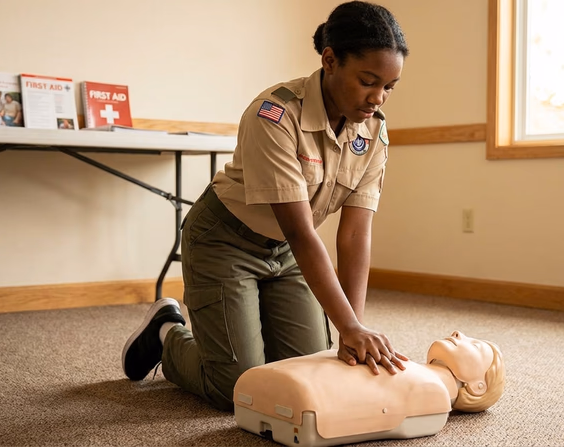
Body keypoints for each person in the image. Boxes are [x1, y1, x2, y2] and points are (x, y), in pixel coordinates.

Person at [121, 0, 409, 411]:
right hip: (224, 241)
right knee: (237, 388)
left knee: (304, 372)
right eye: (368, 81)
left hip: (287, 254)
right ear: (330, 60)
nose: (378, 98)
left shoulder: (373, 136)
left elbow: (355, 233)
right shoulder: (273, 115)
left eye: (389, 87)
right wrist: (346, 324)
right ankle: (167, 332)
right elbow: (301, 230)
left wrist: (353, 327)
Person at [233, 331, 505, 445]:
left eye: (475, 345)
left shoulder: (431, 391)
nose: (459, 333)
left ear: (477, 387)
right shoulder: (412, 369)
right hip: (291, 389)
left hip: (291, 394)